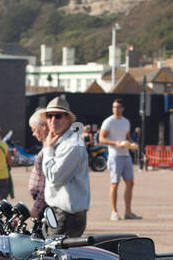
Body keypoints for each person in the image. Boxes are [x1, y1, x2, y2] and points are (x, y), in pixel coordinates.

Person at [40, 95, 90, 237]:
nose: (53, 120)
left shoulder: (72, 144)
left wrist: (48, 149)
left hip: (67, 215)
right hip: (58, 212)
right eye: (49, 116)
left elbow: (54, 177)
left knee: (53, 257)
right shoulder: (59, 141)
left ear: (68, 119)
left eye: (58, 116)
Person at [100, 98, 140, 221]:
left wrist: (132, 144)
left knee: (130, 183)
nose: (115, 109)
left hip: (126, 155)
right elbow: (101, 139)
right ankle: (114, 211)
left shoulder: (126, 122)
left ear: (122, 108)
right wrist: (114, 143)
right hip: (114, 155)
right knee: (114, 183)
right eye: (114, 107)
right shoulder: (108, 121)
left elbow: (127, 138)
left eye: (118, 107)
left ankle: (128, 212)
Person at [27, 109, 49, 217]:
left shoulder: (48, 149)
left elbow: (47, 184)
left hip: (44, 204)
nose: (33, 134)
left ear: (43, 126)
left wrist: (36, 208)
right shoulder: (46, 146)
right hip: (43, 202)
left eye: (34, 130)